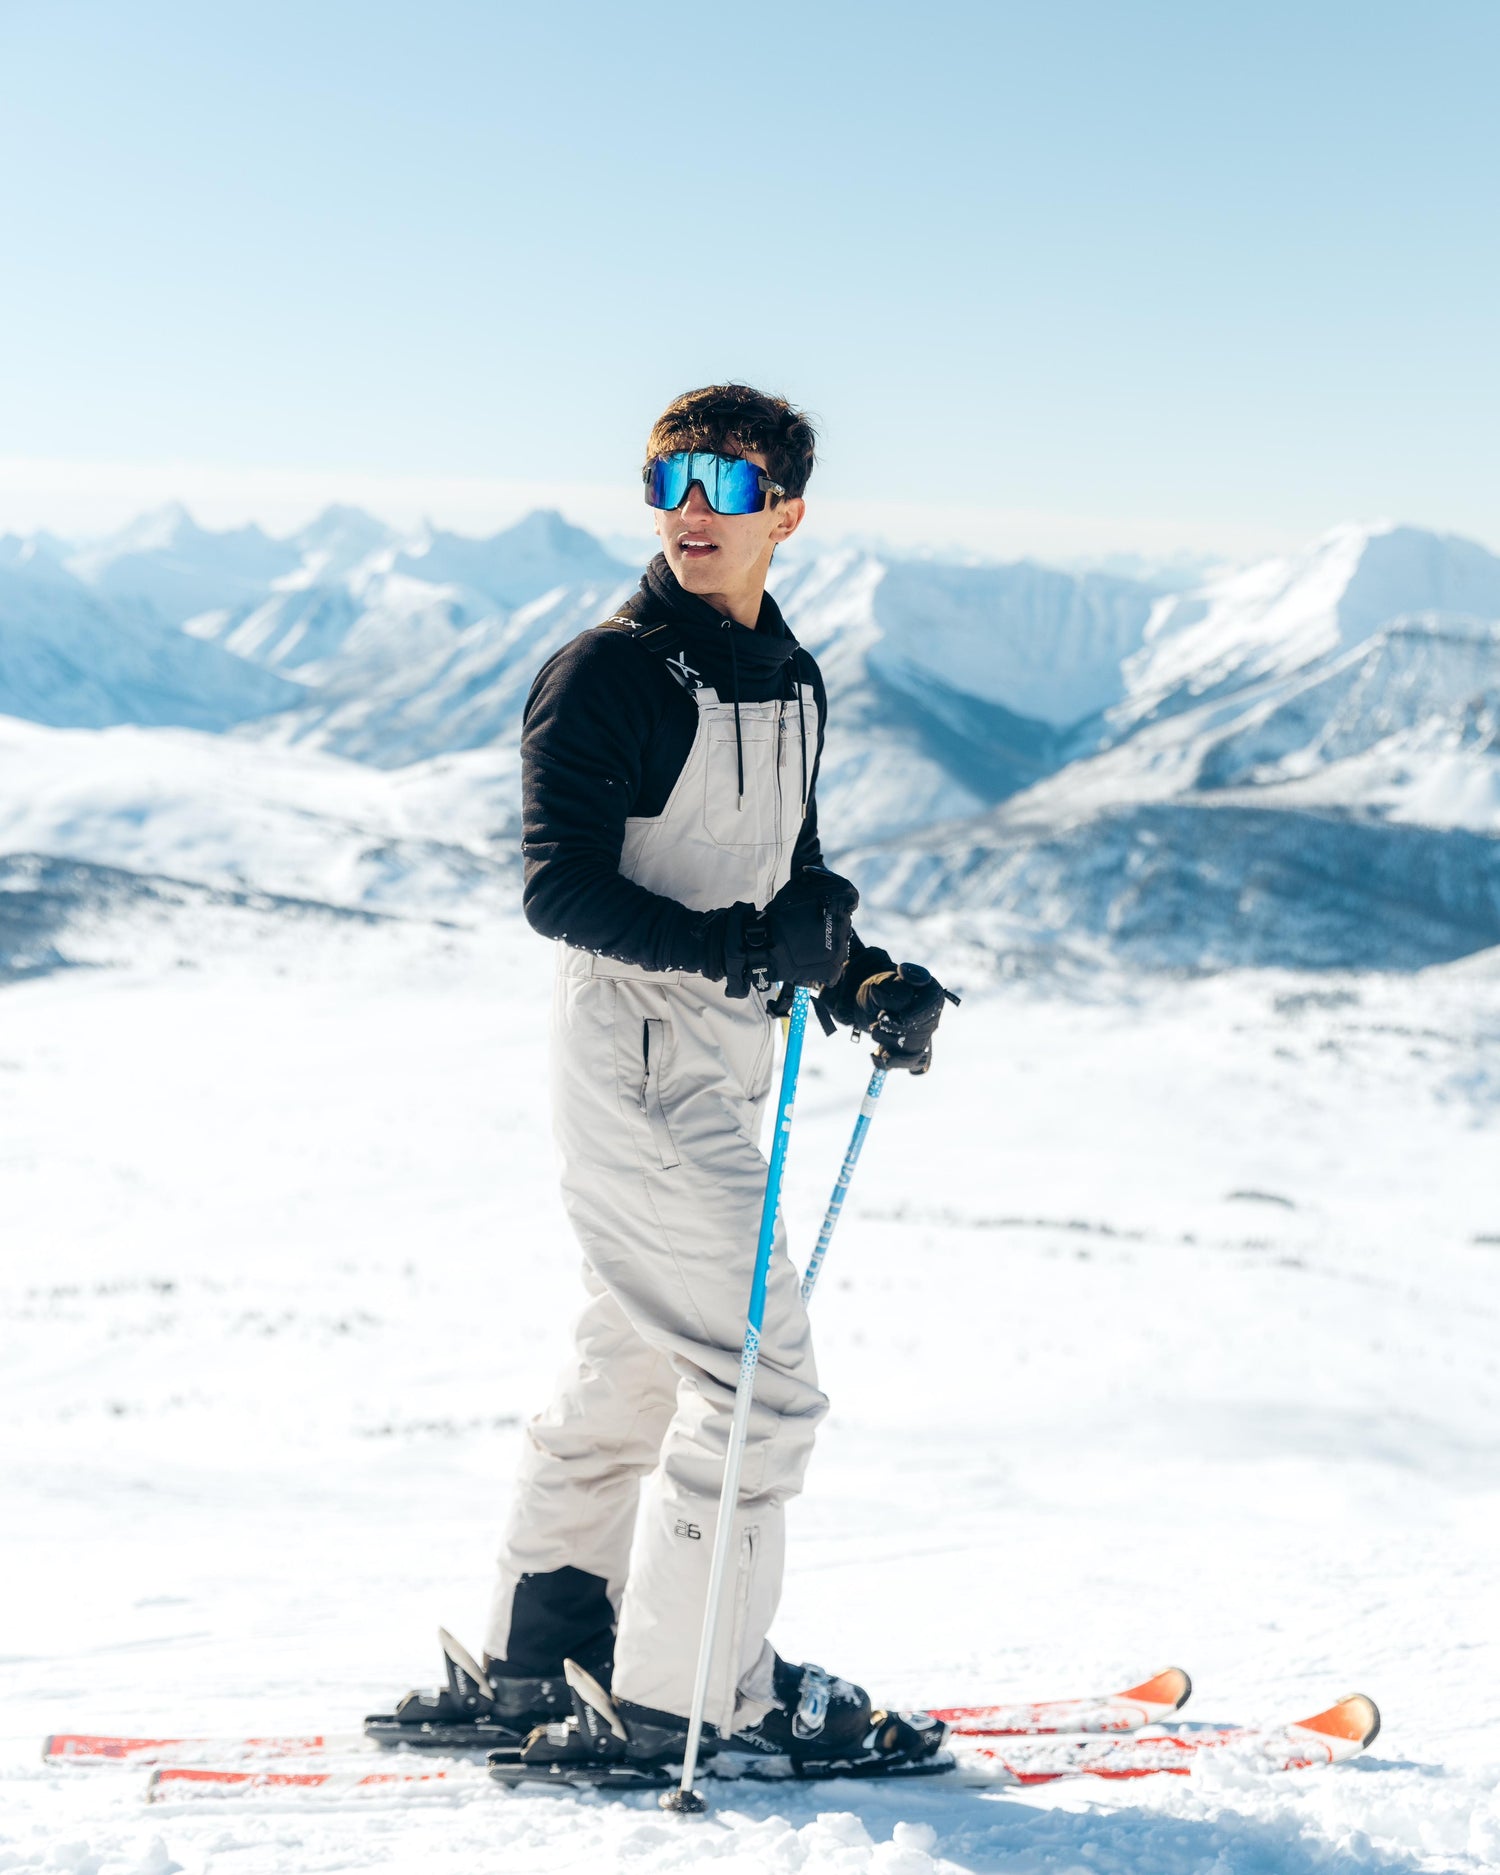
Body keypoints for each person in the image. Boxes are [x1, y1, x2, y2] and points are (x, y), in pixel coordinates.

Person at [380, 384, 953, 1782]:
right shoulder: (613, 672)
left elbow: (787, 883)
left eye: (732, 484)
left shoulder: (789, 677)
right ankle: (695, 1703)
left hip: (721, 1060)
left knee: (634, 1365)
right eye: (672, 477)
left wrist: (856, 973)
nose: (695, 507)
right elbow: (558, 890)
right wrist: (742, 949)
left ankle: (544, 1655)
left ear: (790, 514)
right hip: (633, 1067)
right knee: (762, 1379)